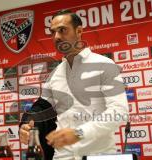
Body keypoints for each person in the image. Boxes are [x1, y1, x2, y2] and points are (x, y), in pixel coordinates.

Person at [19, 10, 129, 160]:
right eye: (53, 32)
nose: (56, 37)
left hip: (98, 156)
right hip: (62, 157)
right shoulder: (55, 74)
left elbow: (119, 112)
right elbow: (41, 109)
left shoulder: (104, 65)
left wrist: (79, 133)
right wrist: (27, 125)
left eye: (62, 30)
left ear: (79, 31)